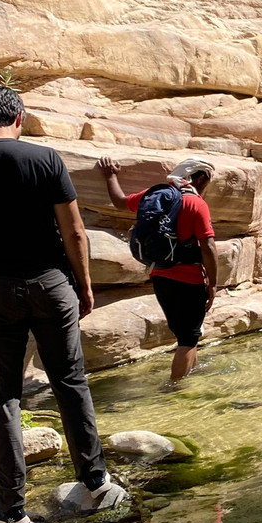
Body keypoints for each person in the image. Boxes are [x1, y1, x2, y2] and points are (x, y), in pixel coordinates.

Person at [0, 85, 122, 523]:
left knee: (3, 395)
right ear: (20, 115)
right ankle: (95, 481)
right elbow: (74, 232)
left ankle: (12, 511)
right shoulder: (46, 159)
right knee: (70, 381)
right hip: (51, 285)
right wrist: (85, 286)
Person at [96, 156, 218, 383]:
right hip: (190, 280)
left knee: (186, 334)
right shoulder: (196, 204)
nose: (206, 186)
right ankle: (174, 389)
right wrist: (213, 284)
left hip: (160, 275)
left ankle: (190, 373)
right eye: (206, 180)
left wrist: (110, 175)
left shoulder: (155, 195)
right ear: (198, 177)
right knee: (188, 339)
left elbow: (120, 202)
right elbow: (208, 246)